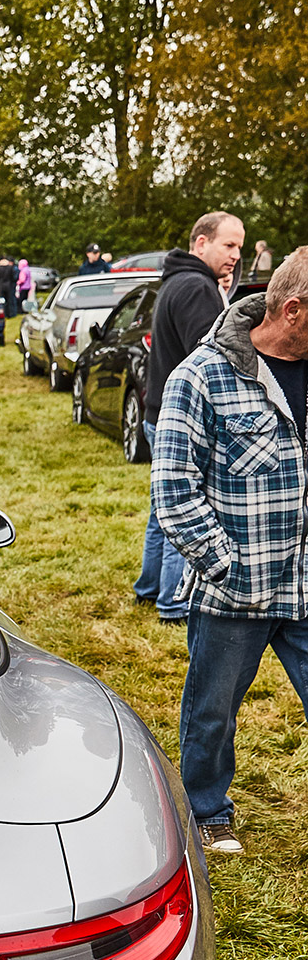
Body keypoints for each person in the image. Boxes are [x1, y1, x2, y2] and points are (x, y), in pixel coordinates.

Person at [153, 246, 308, 859]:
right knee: (211, 714)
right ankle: (207, 809)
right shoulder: (202, 376)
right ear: (294, 310)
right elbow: (173, 491)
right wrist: (226, 565)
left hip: (305, 585)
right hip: (233, 591)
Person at [137, 210, 245, 623]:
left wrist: (223, 292)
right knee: (181, 509)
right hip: (181, 418)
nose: (236, 254)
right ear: (201, 243)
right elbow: (216, 353)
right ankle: (172, 602)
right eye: (228, 245)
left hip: (157, 410)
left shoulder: (178, 281)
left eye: (239, 246)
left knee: (158, 506)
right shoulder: (197, 288)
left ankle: (149, 588)